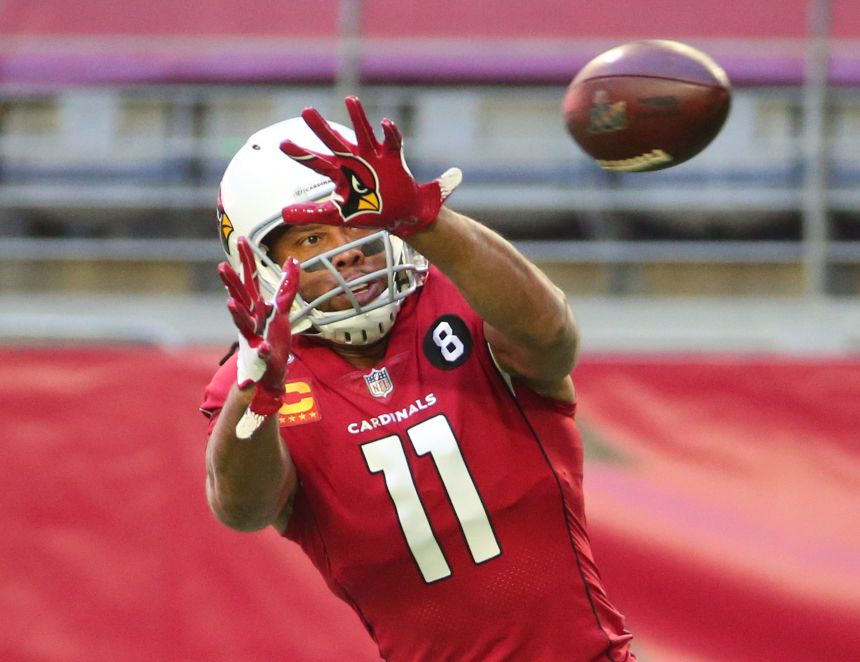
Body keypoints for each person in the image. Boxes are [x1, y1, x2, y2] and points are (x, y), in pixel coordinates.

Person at [201, 96, 635, 661]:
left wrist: (427, 221)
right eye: (311, 240)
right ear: (260, 267)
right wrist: (256, 399)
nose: (347, 253)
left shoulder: (467, 295)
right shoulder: (254, 382)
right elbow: (242, 508)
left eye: (353, 223)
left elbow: (553, 340)